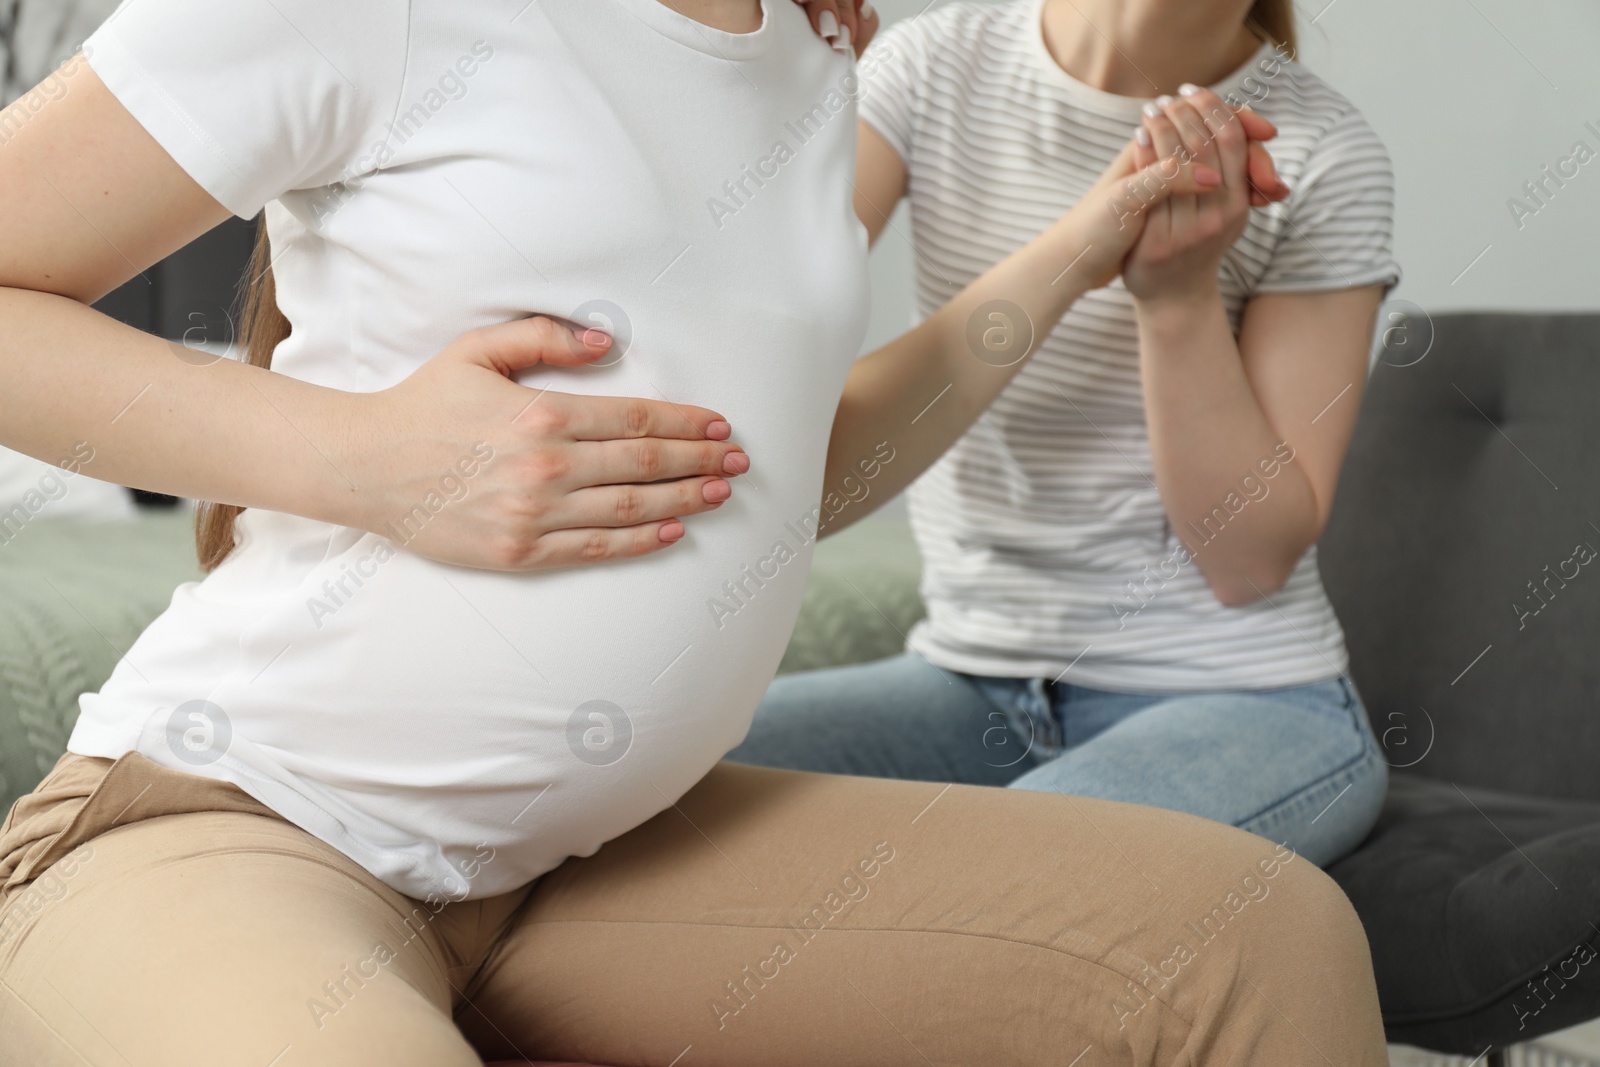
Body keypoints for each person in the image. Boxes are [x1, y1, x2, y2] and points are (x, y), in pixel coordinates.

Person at [0, 0, 1388, 1063]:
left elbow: (790, 475)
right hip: (251, 820)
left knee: (1262, 938)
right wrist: (370, 459)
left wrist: (1092, 245)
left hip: (585, 865)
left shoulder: (802, 55)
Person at [740, 0, 1399, 869]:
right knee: (637, 795)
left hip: (1244, 698)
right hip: (966, 678)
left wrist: (1178, 299)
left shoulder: (1324, 150)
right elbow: (751, 386)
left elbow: (1248, 563)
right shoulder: (927, 68)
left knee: (988, 887)